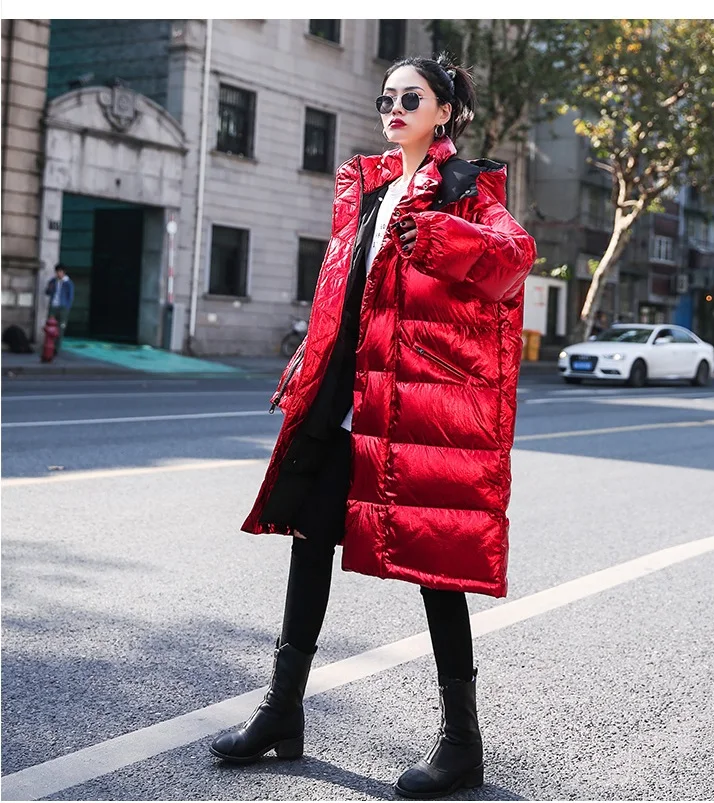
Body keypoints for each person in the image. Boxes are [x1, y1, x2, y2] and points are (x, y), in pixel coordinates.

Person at [209, 53, 536, 798]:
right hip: (344, 397)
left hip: (413, 407)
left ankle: (463, 744)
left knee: (434, 568)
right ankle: (282, 711)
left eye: (410, 98)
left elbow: (514, 258)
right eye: (386, 98)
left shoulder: (466, 189)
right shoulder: (369, 188)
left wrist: (447, 239)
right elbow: (345, 290)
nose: (393, 109)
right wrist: (309, 358)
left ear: (444, 111)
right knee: (308, 540)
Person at [45, 264, 74, 352]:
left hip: (63, 308)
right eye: (57, 272)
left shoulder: (68, 283)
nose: (58, 274)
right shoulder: (53, 281)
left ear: (64, 272)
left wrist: (67, 308)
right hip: (53, 306)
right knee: (50, 327)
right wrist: (49, 288)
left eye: (60, 272)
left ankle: (56, 348)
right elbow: (47, 292)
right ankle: (49, 345)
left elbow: (70, 297)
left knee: (61, 328)